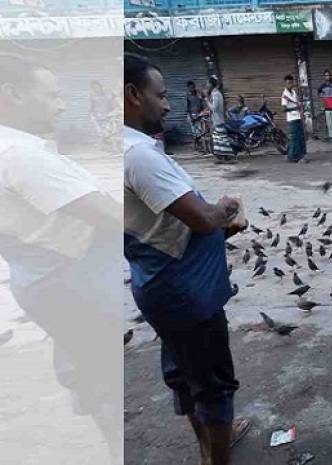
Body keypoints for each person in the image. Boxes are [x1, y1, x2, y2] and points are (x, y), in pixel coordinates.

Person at [123, 53, 251, 465]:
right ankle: (216, 456)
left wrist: (217, 227)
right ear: (131, 95)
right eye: (159, 95)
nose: (168, 104)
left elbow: (160, 222)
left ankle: (208, 446)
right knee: (213, 386)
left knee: (186, 376)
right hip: (187, 295)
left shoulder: (120, 149)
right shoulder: (137, 155)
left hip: (161, 285)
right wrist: (227, 207)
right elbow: (199, 219)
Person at [0, 52, 123, 462]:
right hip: (70, 277)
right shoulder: (19, 153)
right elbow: (110, 217)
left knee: (91, 372)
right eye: (51, 94)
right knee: (105, 379)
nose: (62, 103)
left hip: (42, 276)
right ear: (12, 94)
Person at [205, 75, 234, 163]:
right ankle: (222, 158)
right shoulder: (215, 93)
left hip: (218, 120)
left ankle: (227, 157)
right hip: (217, 120)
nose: (206, 85)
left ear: (211, 84)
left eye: (208, 83)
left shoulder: (216, 94)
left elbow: (214, 108)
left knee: (222, 139)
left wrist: (206, 101)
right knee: (218, 140)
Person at [282, 74, 308, 163]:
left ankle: (292, 155)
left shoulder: (293, 92)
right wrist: (295, 108)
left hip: (297, 117)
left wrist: (299, 109)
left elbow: (297, 102)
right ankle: (296, 157)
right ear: (285, 84)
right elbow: (283, 109)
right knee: (294, 139)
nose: (290, 84)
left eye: (291, 83)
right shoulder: (284, 95)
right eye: (288, 83)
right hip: (291, 119)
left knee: (299, 137)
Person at [185, 80, 209, 153]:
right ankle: (197, 146)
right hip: (192, 115)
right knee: (195, 133)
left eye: (193, 87)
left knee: (201, 132)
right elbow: (187, 108)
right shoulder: (188, 96)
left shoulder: (199, 94)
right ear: (188, 88)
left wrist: (203, 112)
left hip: (200, 114)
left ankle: (202, 147)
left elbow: (203, 102)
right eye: (190, 87)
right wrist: (191, 118)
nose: (192, 88)